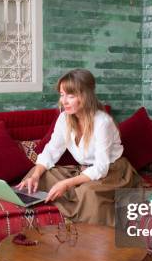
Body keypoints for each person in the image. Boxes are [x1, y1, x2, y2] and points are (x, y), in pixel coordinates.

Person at [17, 69, 140, 226]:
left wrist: (67, 183)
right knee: (38, 177)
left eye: (70, 95)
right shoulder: (64, 118)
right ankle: (73, 196)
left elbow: (101, 168)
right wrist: (35, 174)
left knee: (88, 193)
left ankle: (90, 224)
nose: (64, 101)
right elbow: (51, 151)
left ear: (85, 95)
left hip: (112, 171)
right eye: (62, 95)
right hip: (82, 170)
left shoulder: (103, 122)